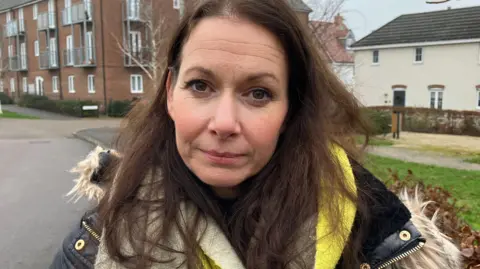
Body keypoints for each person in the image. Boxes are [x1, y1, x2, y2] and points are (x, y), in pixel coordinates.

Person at [50, 0, 462, 268]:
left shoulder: (375, 237)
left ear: (290, 110)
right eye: (200, 86)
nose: (225, 122)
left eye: (259, 93)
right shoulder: (97, 242)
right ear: (169, 93)